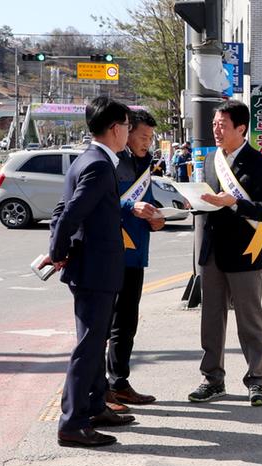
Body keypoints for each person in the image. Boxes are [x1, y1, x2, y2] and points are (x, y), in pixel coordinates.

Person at [45, 96, 136, 448]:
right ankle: (72, 423)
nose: (129, 132)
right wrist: (57, 252)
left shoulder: (87, 159)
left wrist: (62, 248)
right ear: (115, 128)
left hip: (91, 267)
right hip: (95, 271)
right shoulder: (99, 165)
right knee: (88, 346)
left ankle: (96, 406)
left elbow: (61, 209)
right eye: (127, 126)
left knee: (94, 342)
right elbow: (69, 215)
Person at [188, 100, 262, 406]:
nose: (216, 130)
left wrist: (234, 203)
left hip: (246, 253)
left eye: (222, 125)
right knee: (211, 319)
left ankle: (256, 380)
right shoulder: (212, 159)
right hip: (213, 251)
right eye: (214, 124)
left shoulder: (260, 163)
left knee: (249, 320)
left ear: (241, 128)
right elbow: (207, 199)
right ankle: (212, 378)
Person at [105, 108, 164, 411]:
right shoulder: (110, 162)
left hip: (136, 254)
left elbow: (146, 202)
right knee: (105, 325)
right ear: (126, 132)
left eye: (150, 137)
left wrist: (156, 217)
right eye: (143, 136)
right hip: (112, 254)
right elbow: (101, 203)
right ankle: (100, 389)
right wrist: (132, 209)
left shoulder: (143, 163)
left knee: (126, 323)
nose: (147, 142)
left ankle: (119, 383)